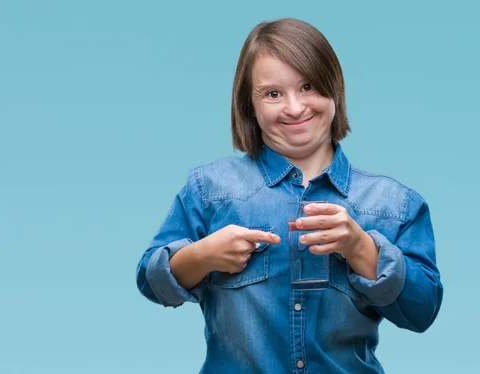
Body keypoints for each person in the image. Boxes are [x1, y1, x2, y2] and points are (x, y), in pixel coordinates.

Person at [135, 18, 443, 373]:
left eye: (309, 86)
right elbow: (151, 283)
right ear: (249, 106)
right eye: (273, 93)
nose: (295, 108)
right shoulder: (209, 190)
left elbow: (423, 311)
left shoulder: (394, 205)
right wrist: (202, 256)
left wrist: (361, 248)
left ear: (334, 89)